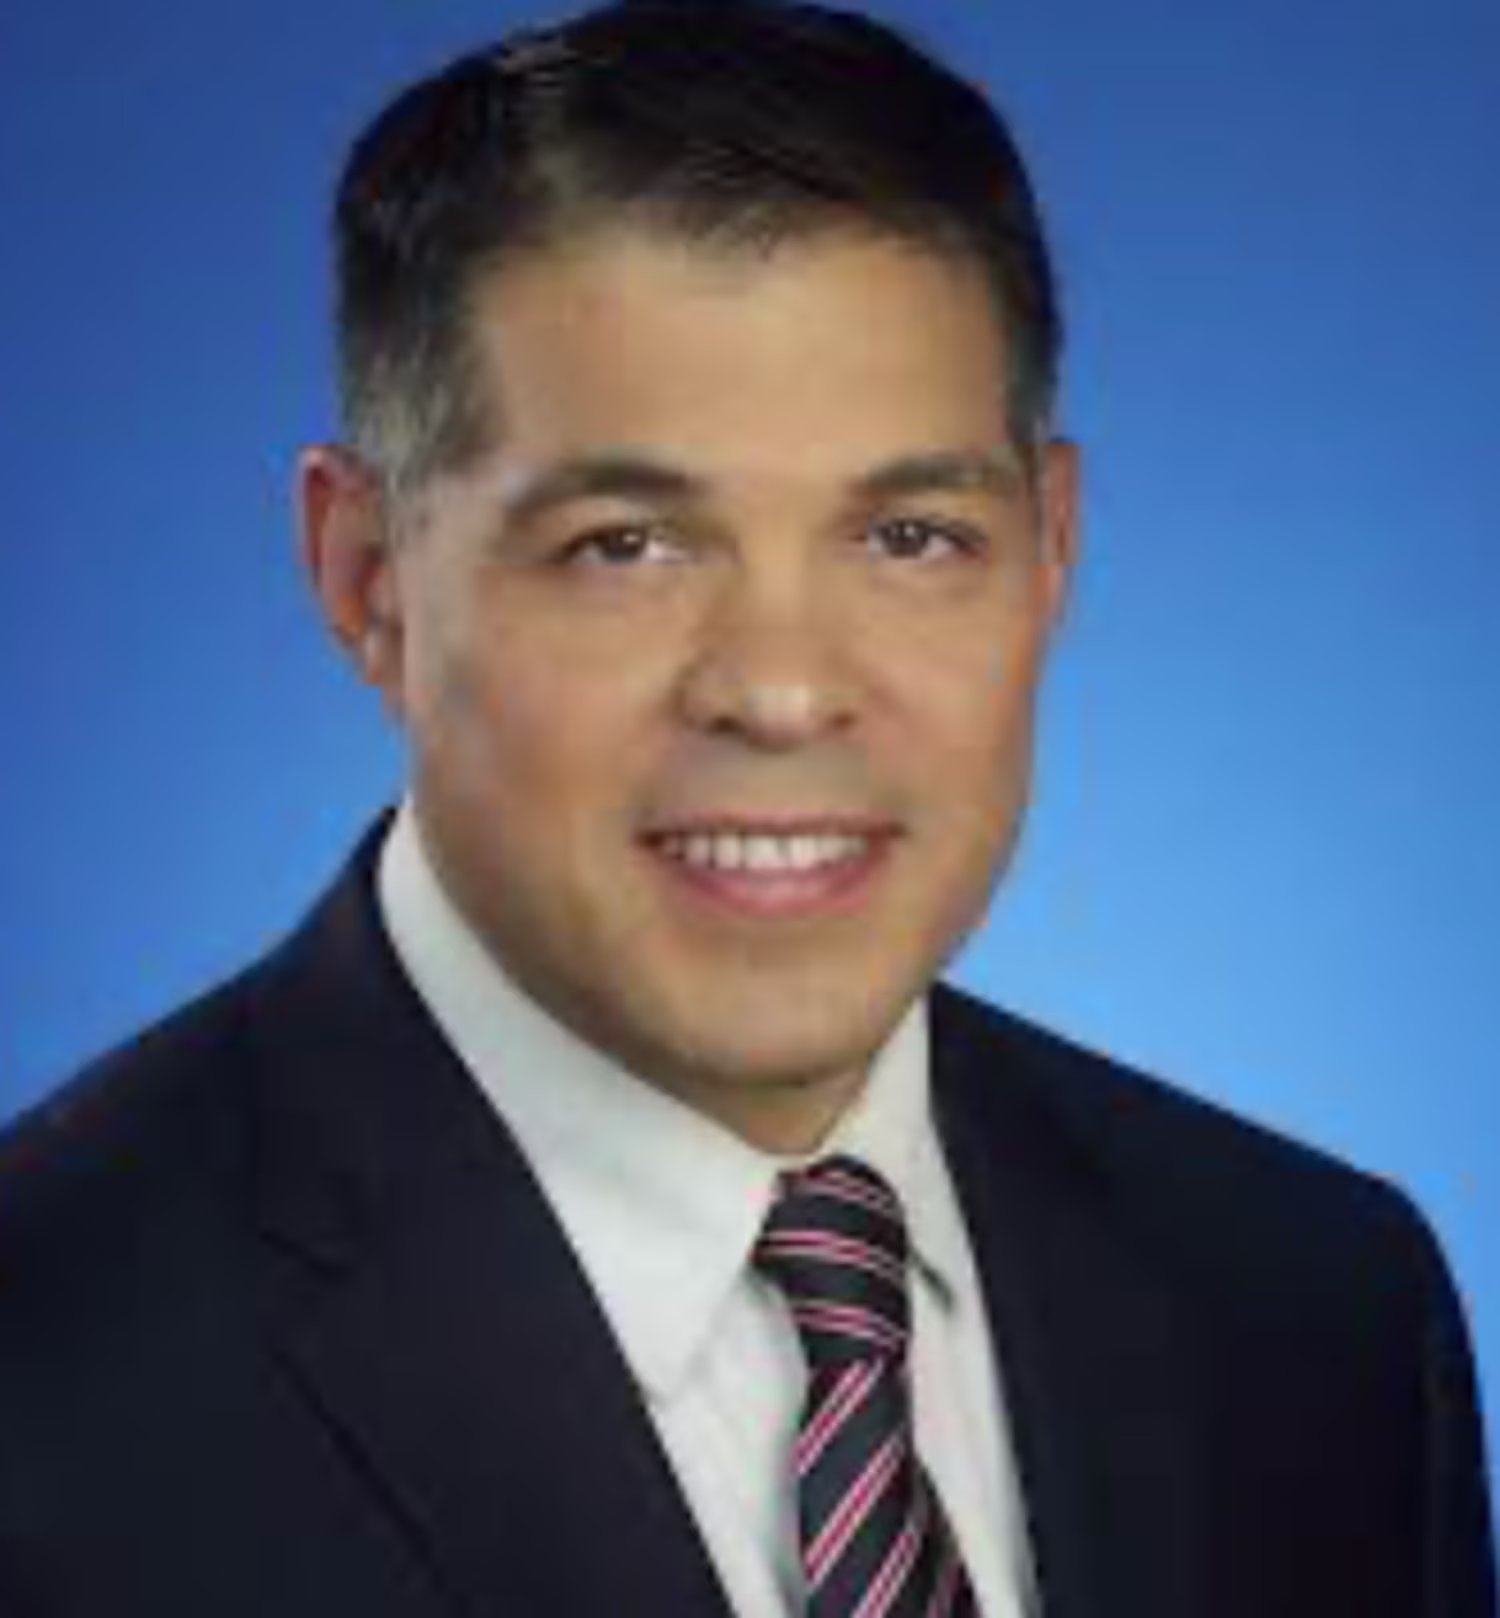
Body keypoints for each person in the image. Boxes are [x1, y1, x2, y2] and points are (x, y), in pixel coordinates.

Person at [0, 1, 1493, 1613]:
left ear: (1052, 549)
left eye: (911, 536)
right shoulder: (50, 1384)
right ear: (369, 581)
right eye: (625, 545)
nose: (781, 692)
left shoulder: (1318, 1310)